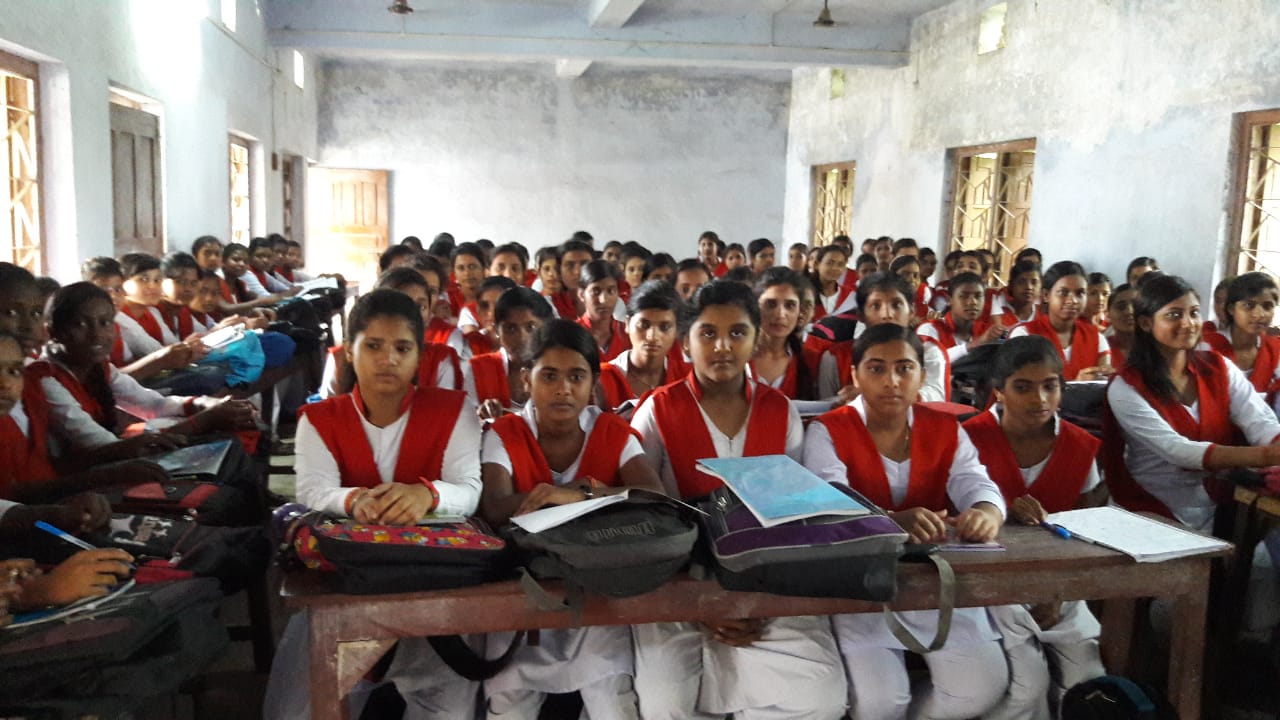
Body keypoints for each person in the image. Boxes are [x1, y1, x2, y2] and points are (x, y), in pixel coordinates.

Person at [629, 279, 847, 720]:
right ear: (686, 342)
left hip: (764, 579)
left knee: (822, 695)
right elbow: (645, 513)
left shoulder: (779, 411)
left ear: (756, 339)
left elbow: (791, 513)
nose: (723, 346)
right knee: (663, 704)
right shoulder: (657, 410)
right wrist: (703, 604)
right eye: (708, 333)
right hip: (678, 581)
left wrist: (755, 602)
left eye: (737, 333)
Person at [273, 289, 482, 720]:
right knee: (308, 706)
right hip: (351, 582)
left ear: (419, 357)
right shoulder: (319, 419)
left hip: (433, 578)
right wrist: (353, 500)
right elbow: (313, 490)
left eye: (402, 348)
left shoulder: (453, 410)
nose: (388, 359)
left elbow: (469, 489)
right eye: (373, 346)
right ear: (349, 351)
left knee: (447, 705)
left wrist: (428, 494)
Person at [803, 323, 1008, 720]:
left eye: (904, 368)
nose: (892, 381)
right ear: (855, 375)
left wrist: (986, 511)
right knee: (880, 702)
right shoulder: (828, 430)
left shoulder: (945, 428)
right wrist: (891, 521)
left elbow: (975, 481)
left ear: (922, 375)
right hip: (860, 586)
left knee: (981, 687)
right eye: (876, 369)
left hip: (934, 584)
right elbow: (830, 502)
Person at [479, 320, 662, 720]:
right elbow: (493, 506)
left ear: (594, 383)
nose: (563, 388)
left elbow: (654, 495)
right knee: (510, 706)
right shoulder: (506, 432)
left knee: (613, 703)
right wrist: (570, 498)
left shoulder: (611, 431)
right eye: (549, 376)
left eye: (576, 376)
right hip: (523, 593)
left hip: (598, 590)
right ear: (526, 380)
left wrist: (579, 493)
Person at [962, 336, 1107, 718]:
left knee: (1088, 680)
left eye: (1050, 386)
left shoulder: (1080, 446)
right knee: (1028, 685)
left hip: (1059, 585)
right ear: (999, 392)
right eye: (1023, 388)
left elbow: (1087, 532)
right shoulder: (969, 438)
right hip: (986, 588)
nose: (1039, 399)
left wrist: (1060, 592)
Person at [1104, 274, 1280, 533]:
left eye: (1194, 313)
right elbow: (1179, 451)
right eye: (1174, 315)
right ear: (1145, 323)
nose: (1188, 323)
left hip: (1210, 507)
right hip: (1146, 508)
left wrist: (1275, 442)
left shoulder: (1218, 367)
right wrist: (1267, 455)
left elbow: (1259, 420)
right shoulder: (1126, 386)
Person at [26, 283, 257, 461]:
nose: (97, 335)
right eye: (80, 324)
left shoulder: (99, 368)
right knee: (219, 440)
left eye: (105, 323)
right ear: (52, 331)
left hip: (112, 455)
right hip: (83, 472)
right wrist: (202, 421)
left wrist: (204, 404)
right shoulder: (45, 378)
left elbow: (152, 404)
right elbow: (102, 444)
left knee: (235, 430)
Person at [321, 267, 462, 397]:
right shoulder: (340, 358)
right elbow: (329, 409)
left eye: (421, 306)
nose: (411, 313)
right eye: (373, 346)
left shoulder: (440, 359)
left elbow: (444, 410)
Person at [816, 273, 950, 403]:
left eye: (896, 305)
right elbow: (826, 406)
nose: (887, 314)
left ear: (911, 311)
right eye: (875, 306)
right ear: (861, 315)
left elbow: (935, 397)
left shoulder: (928, 349)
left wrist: (871, 395)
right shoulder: (835, 357)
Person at [464, 287, 555, 420]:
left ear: (546, 328)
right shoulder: (478, 369)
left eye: (531, 327)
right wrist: (479, 416)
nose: (522, 337)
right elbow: (466, 421)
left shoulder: (560, 368)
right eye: (510, 329)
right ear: (496, 330)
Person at [1009, 261, 1111, 380]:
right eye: (1063, 292)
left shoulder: (1097, 338)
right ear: (1046, 295)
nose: (1073, 300)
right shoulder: (1024, 335)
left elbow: (1103, 384)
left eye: (1080, 293)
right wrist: (1077, 385)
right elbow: (1020, 386)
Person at [598, 280, 688, 414]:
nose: (652, 336)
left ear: (676, 331)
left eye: (664, 327)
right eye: (644, 325)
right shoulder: (602, 379)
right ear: (627, 324)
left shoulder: (687, 378)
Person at [1199, 271, 1280, 407]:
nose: (1259, 314)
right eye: (1249, 305)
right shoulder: (1206, 347)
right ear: (1231, 309)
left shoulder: (1275, 349)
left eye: (1267, 306)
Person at [750, 268, 812, 400]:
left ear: (800, 312)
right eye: (770, 304)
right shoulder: (739, 357)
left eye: (790, 305)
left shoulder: (810, 360)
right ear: (755, 308)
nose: (780, 314)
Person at [918, 272, 1006, 362]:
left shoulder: (988, 332)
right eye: (964, 296)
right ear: (949, 300)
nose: (973, 302)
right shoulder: (929, 329)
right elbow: (929, 362)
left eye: (978, 296)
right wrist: (972, 345)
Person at [576, 260, 630, 363]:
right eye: (596, 291)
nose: (604, 300)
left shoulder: (628, 334)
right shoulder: (571, 334)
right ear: (581, 294)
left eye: (611, 291)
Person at [812, 245, 856, 321]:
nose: (835, 268)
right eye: (829, 263)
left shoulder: (850, 296)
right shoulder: (805, 293)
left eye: (840, 264)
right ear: (817, 264)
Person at [992, 260, 1042, 327]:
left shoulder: (1046, 316)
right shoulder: (997, 311)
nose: (1029, 287)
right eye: (1022, 282)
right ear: (1011, 285)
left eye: (1034, 282)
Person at [446, 242, 487, 318]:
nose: (467, 273)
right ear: (454, 272)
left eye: (472, 267)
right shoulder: (448, 299)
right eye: (461, 268)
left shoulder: (492, 297)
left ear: (483, 268)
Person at [888, 254, 930, 322]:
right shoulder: (884, 305)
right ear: (892, 277)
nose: (912, 280)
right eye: (905, 275)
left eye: (915, 275)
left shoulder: (925, 310)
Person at [1104, 283, 1137, 370]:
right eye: (1121, 307)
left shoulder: (1158, 348)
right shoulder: (1100, 347)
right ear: (1107, 314)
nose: (1129, 311)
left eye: (1136, 305)